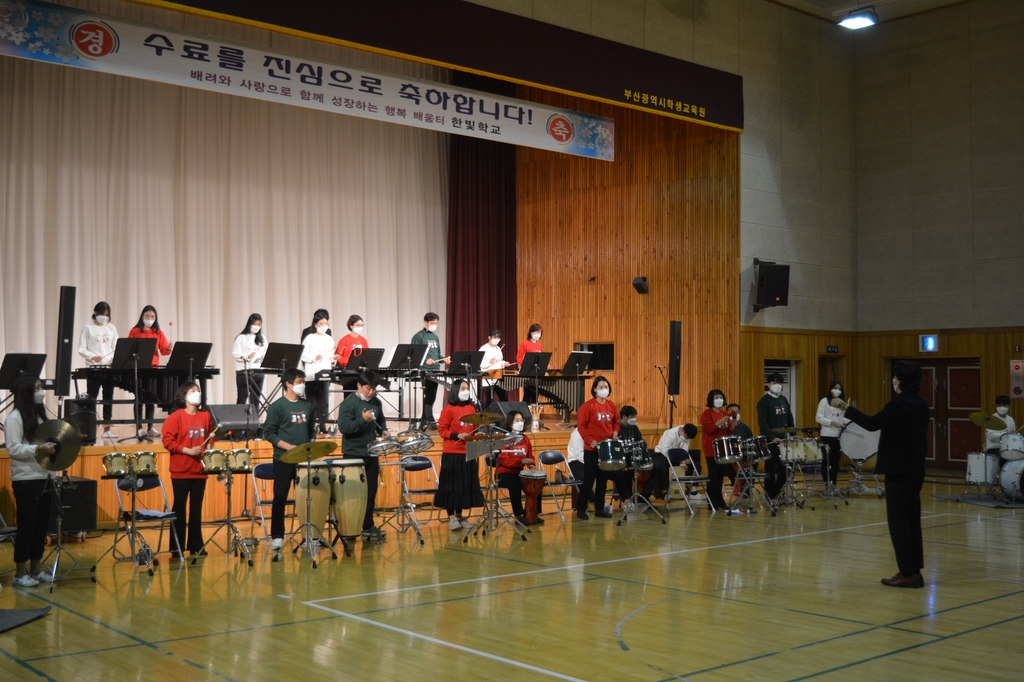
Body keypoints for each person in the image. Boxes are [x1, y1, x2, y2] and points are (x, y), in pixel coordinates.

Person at [836, 361, 929, 588]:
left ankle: (906, 573)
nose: (893, 381)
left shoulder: (898, 406)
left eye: (896, 377)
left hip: (899, 469)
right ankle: (914, 569)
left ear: (901, 381)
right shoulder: (921, 404)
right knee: (911, 519)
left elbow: (871, 423)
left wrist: (845, 408)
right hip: (916, 468)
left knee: (898, 521)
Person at [5, 376, 56, 587]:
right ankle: (19, 572)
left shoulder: (40, 417)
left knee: (41, 526)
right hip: (26, 479)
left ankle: (36, 569)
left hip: (44, 477)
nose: (42, 391)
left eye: (41, 387)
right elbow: (13, 449)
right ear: (26, 392)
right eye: (37, 388)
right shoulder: (14, 418)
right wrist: (38, 448)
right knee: (27, 525)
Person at [262, 368, 314, 551]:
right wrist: (287, 446)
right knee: (280, 498)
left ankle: (308, 535)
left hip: (303, 461)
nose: (302, 385)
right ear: (289, 384)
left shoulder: (308, 405)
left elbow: (311, 431)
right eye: (299, 382)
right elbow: (268, 432)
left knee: (306, 499)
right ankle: (277, 536)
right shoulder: (277, 406)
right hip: (283, 459)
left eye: (303, 382)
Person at [161, 381, 213, 557]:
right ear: (184, 396)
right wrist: (187, 450)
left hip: (200, 470)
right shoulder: (175, 418)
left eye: (198, 390)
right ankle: (177, 547)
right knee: (179, 509)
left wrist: (208, 451)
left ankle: (196, 545)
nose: (197, 393)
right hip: (181, 471)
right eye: (193, 390)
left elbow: (210, 436)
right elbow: (167, 442)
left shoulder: (205, 416)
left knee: (196, 509)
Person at [336, 370, 389, 541]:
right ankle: (349, 527)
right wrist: (362, 420)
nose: (371, 392)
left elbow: (380, 422)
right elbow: (344, 428)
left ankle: (368, 526)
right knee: (351, 493)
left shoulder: (376, 402)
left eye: (374, 388)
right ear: (359, 385)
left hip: (371, 452)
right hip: (353, 454)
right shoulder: (348, 404)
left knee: (370, 492)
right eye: (368, 388)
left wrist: (384, 431)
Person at [434, 379, 486, 530]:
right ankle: (451, 517)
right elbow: (442, 431)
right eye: (463, 388)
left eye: (467, 388)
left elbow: (474, 428)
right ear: (456, 391)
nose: (466, 390)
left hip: (468, 452)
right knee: (452, 486)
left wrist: (479, 433)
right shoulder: (448, 409)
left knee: (464, 485)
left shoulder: (471, 408)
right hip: (452, 453)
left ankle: (460, 516)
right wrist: (456, 435)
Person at [574, 375, 618, 520]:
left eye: (606, 387)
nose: (604, 389)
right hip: (592, 449)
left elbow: (615, 423)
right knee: (589, 479)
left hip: (606, 449)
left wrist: (615, 433)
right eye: (600, 387)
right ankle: (581, 508)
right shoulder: (588, 406)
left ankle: (600, 508)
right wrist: (590, 440)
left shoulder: (612, 405)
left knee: (602, 480)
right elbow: (582, 427)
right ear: (594, 389)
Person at [128, 305, 172, 438]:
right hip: (139, 368)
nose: (150, 319)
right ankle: (139, 427)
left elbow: (164, 351)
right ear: (142, 316)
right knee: (139, 398)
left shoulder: (158, 332)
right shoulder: (135, 331)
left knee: (151, 398)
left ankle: (150, 427)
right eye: (147, 316)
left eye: (153, 317)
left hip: (153, 368)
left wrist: (169, 348)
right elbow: (129, 348)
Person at [78, 300, 118, 440]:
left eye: (106, 315)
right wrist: (92, 356)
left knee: (108, 397)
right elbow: (81, 348)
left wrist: (111, 359)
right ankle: (91, 427)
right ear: (95, 313)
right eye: (101, 314)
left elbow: (116, 347)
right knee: (92, 397)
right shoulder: (87, 328)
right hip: (93, 368)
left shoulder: (111, 328)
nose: (104, 317)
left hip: (108, 367)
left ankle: (107, 428)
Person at [495, 410, 541, 525]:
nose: (520, 422)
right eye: (517, 420)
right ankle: (518, 515)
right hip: (503, 473)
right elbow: (505, 460)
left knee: (536, 482)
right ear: (510, 423)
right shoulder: (504, 439)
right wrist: (521, 461)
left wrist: (531, 463)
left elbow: (530, 456)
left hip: (518, 472)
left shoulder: (525, 439)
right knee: (514, 484)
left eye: (521, 420)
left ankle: (534, 514)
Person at [757, 373, 793, 500]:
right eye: (774, 382)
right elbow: (763, 422)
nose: (777, 385)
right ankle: (770, 495)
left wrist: (793, 435)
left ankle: (780, 493)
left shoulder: (783, 400)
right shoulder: (763, 402)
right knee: (770, 469)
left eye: (779, 383)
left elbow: (789, 419)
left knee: (785, 469)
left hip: (784, 440)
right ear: (768, 384)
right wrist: (772, 437)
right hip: (770, 441)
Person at [411, 312, 448, 430]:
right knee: (428, 395)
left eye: (436, 323)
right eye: (432, 323)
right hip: (424, 371)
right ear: (425, 322)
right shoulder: (418, 336)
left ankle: (424, 421)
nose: (434, 325)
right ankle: (431, 419)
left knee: (432, 396)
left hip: (435, 370)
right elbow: (415, 354)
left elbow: (437, 355)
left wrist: (443, 359)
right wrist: (425, 360)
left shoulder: (435, 337)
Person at [300, 310, 335, 434]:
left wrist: (333, 358)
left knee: (323, 400)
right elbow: (303, 355)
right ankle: (312, 426)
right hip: (312, 372)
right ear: (315, 324)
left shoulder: (329, 339)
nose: (324, 326)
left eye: (326, 324)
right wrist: (314, 357)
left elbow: (331, 354)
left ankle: (323, 425)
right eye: (321, 324)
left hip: (325, 373)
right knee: (312, 400)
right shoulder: (309, 338)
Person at [645, 423, 699, 501]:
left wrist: (683, 463)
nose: (686, 438)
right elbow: (665, 451)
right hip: (662, 455)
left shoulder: (687, 436)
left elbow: (684, 451)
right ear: (682, 430)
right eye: (686, 436)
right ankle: (664, 493)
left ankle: (694, 492)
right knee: (659, 466)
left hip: (678, 457)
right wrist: (680, 459)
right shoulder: (670, 434)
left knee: (696, 466)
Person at [701, 389, 735, 510]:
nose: (719, 399)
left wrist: (733, 423)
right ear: (711, 399)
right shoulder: (707, 413)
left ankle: (720, 501)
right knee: (713, 476)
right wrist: (718, 423)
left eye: (721, 397)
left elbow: (729, 430)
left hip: (723, 449)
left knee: (721, 476)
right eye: (716, 397)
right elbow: (709, 430)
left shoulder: (724, 414)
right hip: (711, 449)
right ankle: (712, 502)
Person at [815, 382, 847, 485]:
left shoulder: (842, 404)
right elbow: (819, 417)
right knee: (827, 461)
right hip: (827, 435)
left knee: (835, 462)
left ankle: (834, 484)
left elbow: (843, 418)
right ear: (830, 389)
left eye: (839, 389)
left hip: (839, 436)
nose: (837, 390)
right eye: (835, 388)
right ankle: (826, 483)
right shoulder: (824, 401)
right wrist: (831, 422)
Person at [232, 313, 267, 407]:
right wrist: (247, 356)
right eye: (255, 324)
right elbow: (235, 354)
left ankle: (254, 420)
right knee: (242, 398)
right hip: (243, 372)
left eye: (259, 325)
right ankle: (240, 420)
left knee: (256, 399)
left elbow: (266, 353)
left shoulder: (262, 338)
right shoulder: (241, 337)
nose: (257, 327)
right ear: (249, 324)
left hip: (258, 371)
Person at [478, 328, 508, 409]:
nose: (497, 340)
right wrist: (489, 361)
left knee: (503, 398)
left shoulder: (498, 349)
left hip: (498, 377)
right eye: (495, 337)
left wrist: (504, 363)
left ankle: (504, 416)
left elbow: (499, 362)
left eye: (498, 338)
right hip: (488, 378)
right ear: (489, 337)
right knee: (489, 399)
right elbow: (480, 364)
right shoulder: (484, 348)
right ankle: (487, 417)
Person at [516, 323, 543, 404]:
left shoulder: (539, 345)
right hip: (528, 373)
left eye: (539, 332)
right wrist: (525, 367)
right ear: (531, 333)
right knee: (527, 395)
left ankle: (534, 415)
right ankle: (524, 414)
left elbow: (541, 359)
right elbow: (519, 357)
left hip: (536, 373)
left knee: (535, 395)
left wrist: (545, 365)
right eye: (535, 332)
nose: (537, 335)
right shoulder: (525, 343)